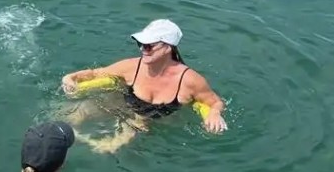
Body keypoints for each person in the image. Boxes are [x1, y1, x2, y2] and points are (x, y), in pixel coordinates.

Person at [59, 19, 228, 153]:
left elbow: (215, 101)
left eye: (149, 46)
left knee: (111, 147)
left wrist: (214, 113)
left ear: (168, 47)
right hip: (120, 104)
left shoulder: (190, 80)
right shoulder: (132, 66)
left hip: (149, 123)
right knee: (70, 115)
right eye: (140, 44)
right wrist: (71, 77)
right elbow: (97, 73)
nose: (143, 49)